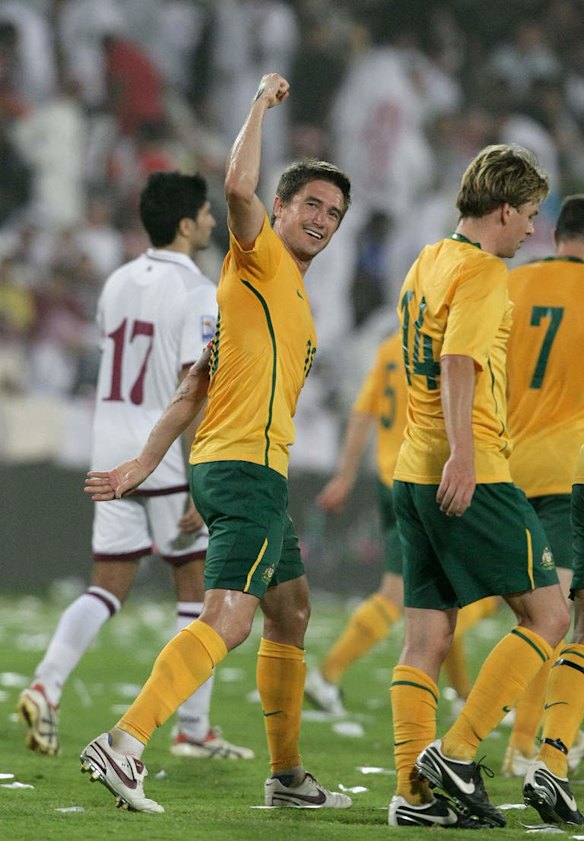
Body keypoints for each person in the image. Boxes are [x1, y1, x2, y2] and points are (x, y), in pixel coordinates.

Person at [80, 72, 354, 814]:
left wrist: (147, 463)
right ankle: (126, 739)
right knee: (228, 616)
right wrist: (261, 103)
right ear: (282, 209)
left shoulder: (288, 299)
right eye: (311, 205)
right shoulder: (259, 256)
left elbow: (196, 384)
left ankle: (287, 774)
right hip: (245, 470)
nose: (323, 219)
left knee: (290, 607)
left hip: (241, 472)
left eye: (334, 211)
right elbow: (237, 185)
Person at [17, 170, 252, 761]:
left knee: (107, 587)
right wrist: (201, 472)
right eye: (203, 212)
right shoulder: (199, 291)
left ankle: (46, 683)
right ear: (184, 223)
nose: (209, 220)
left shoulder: (117, 280)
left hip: (108, 452)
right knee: (199, 588)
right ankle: (193, 728)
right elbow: (191, 385)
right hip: (161, 455)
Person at [387, 143, 571, 829]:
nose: (532, 227)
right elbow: (458, 358)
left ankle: (414, 797)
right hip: (473, 469)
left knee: (426, 641)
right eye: (527, 213)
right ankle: (458, 753)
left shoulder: (428, 258)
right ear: (502, 210)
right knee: (550, 615)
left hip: (411, 468)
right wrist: (465, 454)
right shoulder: (484, 272)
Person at [305, 329, 498, 717]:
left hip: (389, 481)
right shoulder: (452, 348)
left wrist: (345, 475)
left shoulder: (392, 347)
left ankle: (462, 694)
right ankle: (329, 673)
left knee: (431, 591)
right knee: (467, 592)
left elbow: (363, 413)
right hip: (429, 479)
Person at [501, 194, 584, 787]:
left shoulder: (508, 284)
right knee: (558, 621)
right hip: (568, 473)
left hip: (503, 468)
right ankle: (530, 750)